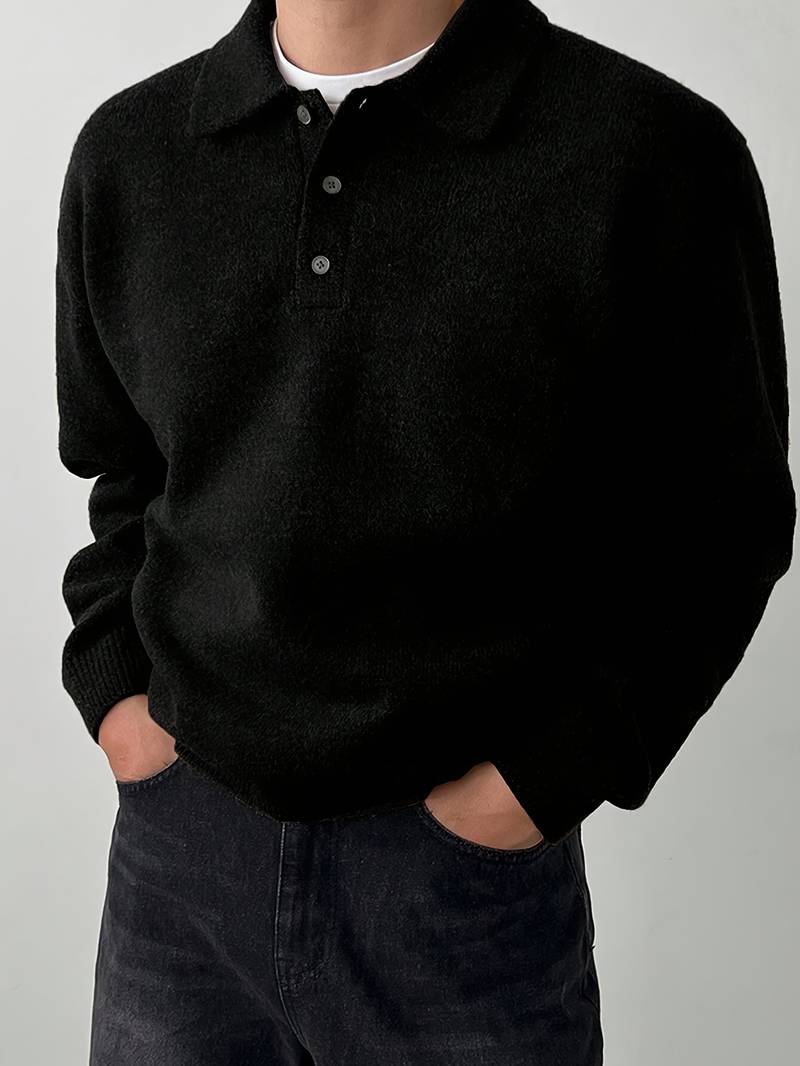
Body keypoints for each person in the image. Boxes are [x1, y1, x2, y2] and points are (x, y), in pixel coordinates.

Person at [54, 0, 795, 1063]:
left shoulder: (648, 151)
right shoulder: (131, 151)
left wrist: (541, 780)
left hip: (460, 887)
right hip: (180, 864)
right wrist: (119, 701)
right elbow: (124, 470)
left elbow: (721, 526)